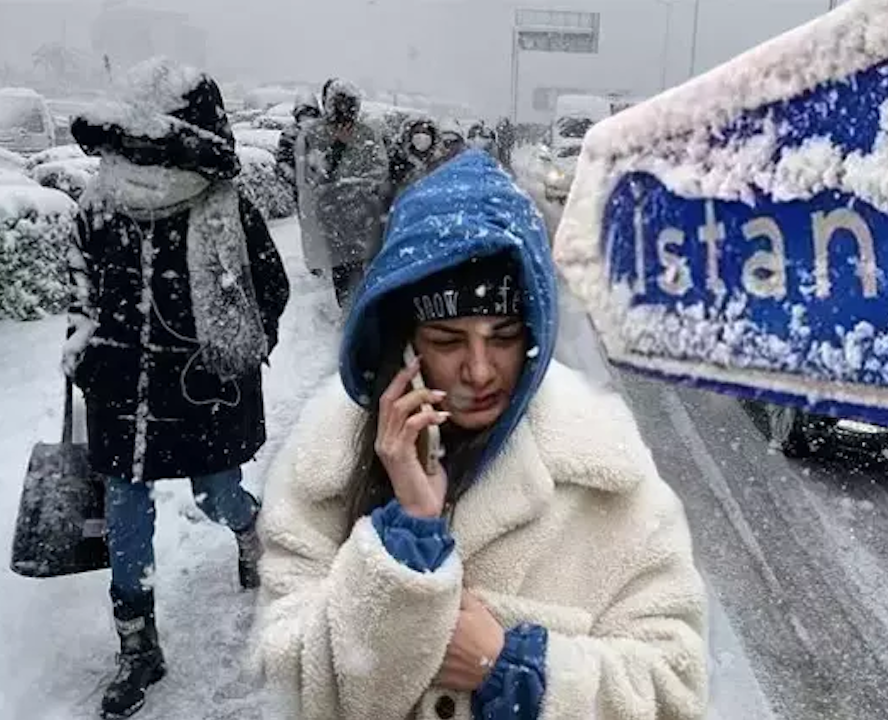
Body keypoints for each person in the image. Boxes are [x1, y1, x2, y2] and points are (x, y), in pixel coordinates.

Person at [253, 150, 708, 720]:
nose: (480, 370)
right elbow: (291, 678)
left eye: (504, 336)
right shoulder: (326, 468)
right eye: (447, 341)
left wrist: (517, 669)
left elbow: (676, 686)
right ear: (405, 343)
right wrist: (406, 536)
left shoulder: (604, 472)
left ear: (534, 333)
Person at [65, 57, 290, 720]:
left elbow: (269, 288)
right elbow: (80, 290)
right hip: (121, 390)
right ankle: (138, 645)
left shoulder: (225, 206)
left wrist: (237, 349)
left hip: (201, 389)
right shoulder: (100, 203)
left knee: (216, 493)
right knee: (126, 511)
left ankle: (249, 530)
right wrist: (84, 352)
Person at [295, 78, 389, 308]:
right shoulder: (313, 134)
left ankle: (365, 310)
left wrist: (361, 186)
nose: (345, 110)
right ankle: (349, 313)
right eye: (339, 104)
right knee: (343, 271)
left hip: (364, 213)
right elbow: (310, 177)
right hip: (332, 216)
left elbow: (380, 168)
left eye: (349, 104)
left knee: (367, 268)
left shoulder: (367, 133)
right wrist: (337, 149)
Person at [275, 92, 321, 189]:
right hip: (300, 186)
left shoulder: (322, 133)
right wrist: (294, 178)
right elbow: (282, 161)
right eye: (304, 114)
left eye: (310, 114)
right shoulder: (290, 134)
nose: (307, 119)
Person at [389, 116, 440, 193]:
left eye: (425, 133)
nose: (421, 136)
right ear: (409, 136)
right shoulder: (398, 161)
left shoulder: (438, 162)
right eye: (417, 132)